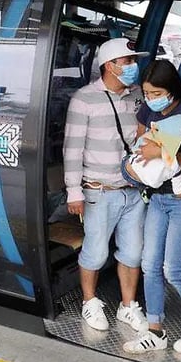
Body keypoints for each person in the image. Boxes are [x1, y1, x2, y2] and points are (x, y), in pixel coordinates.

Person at [122, 59, 181, 355]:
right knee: (150, 265)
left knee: (173, 269)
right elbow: (141, 145)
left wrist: (162, 153)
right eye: (146, 93)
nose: (151, 99)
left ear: (172, 88)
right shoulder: (148, 110)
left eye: (156, 93)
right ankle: (155, 331)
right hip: (158, 198)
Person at [63, 37, 149, 332]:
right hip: (98, 191)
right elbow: (72, 149)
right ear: (110, 66)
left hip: (134, 191)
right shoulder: (84, 99)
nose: (134, 66)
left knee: (133, 252)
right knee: (96, 252)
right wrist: (74, 192)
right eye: (128, 61)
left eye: (134, 61)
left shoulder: (138, 95)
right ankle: (89, 302)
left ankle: (128, 306)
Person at [121, 114, 181, 202]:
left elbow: (180, 191)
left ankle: (146, 190)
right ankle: (145, 189)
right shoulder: (154, 144)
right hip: (129, 168)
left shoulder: (177, 167)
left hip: (142, 179)